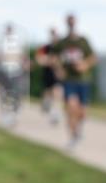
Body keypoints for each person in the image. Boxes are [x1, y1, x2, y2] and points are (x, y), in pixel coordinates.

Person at [52, 14, 97, 150]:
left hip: (83, 80)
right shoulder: (62, 42)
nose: (71, 24)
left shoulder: (83, 41)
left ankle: (78, 127)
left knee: (82, 112)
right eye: (69, 22)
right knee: (71, 107)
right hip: (69, 80)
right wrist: (59, 69)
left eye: (73, 22)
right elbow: (54, 57)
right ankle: (72, 137)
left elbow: (93, 57)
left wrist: (84, 65)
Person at [0, 23, 26, 126]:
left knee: (16, 92)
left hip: (16, 71)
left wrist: (25, 63)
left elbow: (22, 56)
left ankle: (13, 114)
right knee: (4, 93)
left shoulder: (17, 43)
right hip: (4, 70)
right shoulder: (1, 43)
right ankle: (5, 114)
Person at [35, 28, 63, 125]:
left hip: (57, 74)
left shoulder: (61, 48)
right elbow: (39, 59)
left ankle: (55, 114)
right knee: (47, 94)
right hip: (47, 74)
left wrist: (56, 63)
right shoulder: (46, 48)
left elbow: (61, 60)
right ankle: (46, 106)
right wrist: (48, 61)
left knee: (57, 93)